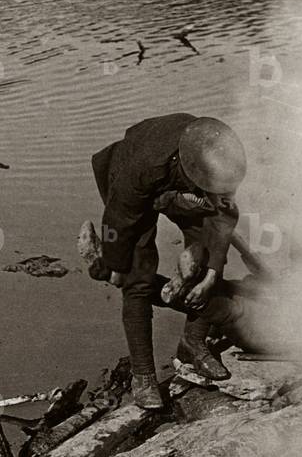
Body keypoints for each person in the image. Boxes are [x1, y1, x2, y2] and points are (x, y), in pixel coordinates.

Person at [89, 113, 247, 409]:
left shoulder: (221, 158)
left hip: (181, 189)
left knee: (203, 261)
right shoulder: (144, 166)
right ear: (191, 173)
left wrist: (212, 272)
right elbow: (119, 220)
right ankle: (143, 376)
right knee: (138, 278)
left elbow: (224, 218)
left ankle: (193, 341)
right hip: (136, 190)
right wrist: (116, 267)